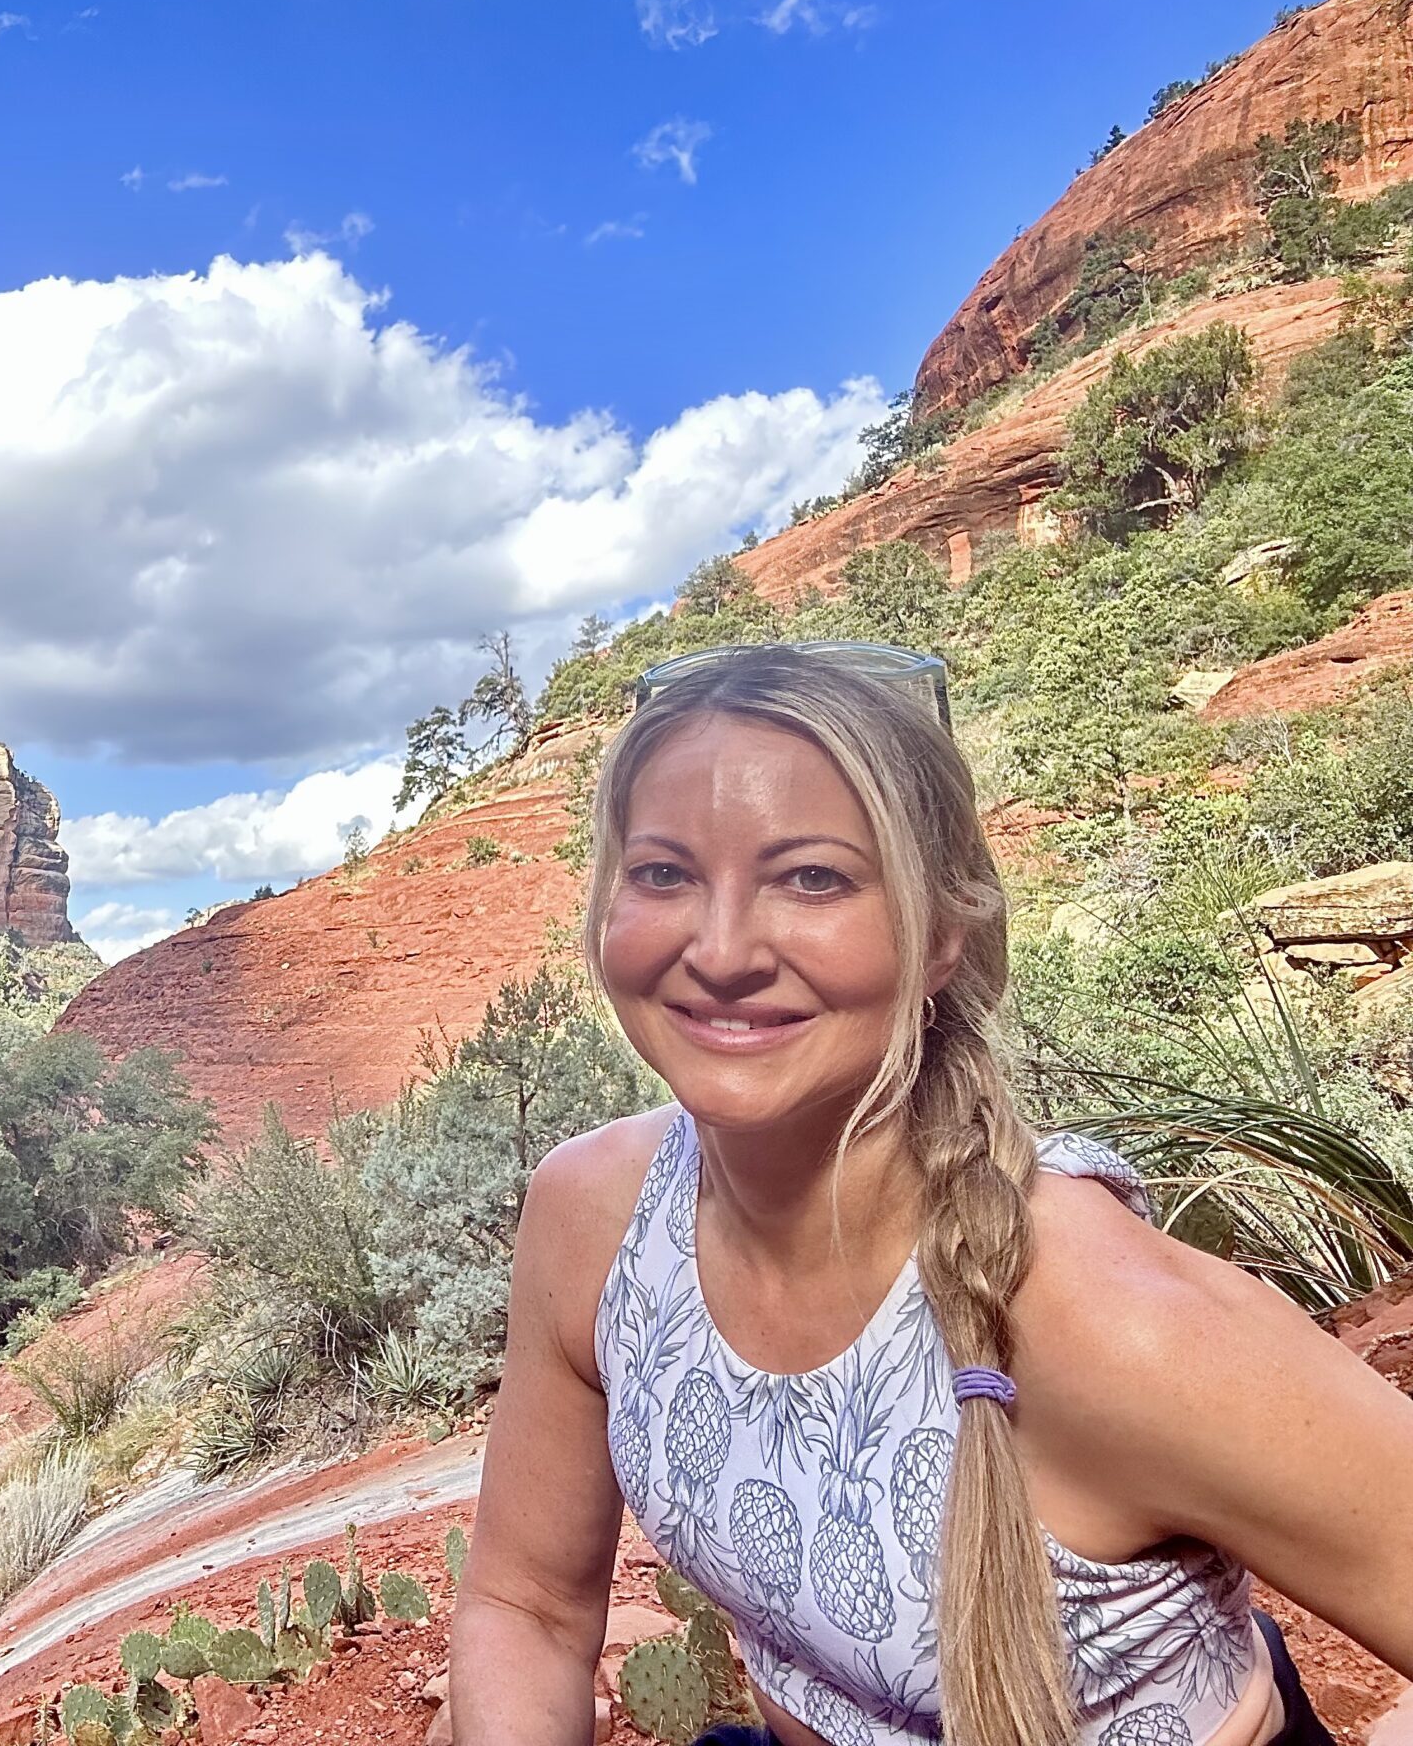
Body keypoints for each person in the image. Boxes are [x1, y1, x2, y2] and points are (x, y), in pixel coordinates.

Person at [448, 642, 1413, 1746]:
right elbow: (525, 1605)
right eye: (664, 873)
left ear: (943, 932)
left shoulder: (1113, 1321)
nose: (718, 951)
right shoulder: (593, 1216)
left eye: (812, 878)